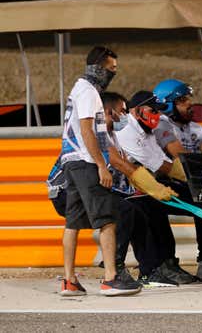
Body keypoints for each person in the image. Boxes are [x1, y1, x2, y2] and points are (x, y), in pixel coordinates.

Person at [48, 92, 178, 289]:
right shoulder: (95, 132)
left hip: (90, 187)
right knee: (124, 211)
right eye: (122, 111)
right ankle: (114, 270)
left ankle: (149, 272)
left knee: (139, 211)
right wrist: (155, 188)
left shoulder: (111, 136)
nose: (125, 116)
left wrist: (148, 190)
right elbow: (119, 164)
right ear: (108, 112)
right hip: (66, 192)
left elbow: (123, 171)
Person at [57, 46, 140, 296]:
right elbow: (87, 130)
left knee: (73, 222)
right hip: (86, 162)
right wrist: (102, 165)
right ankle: (110, 279)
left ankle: (69, 281)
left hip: (71, 161)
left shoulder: (78, 88)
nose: (113, 74)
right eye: (111, 69)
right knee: (108, 220)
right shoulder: (89, 92)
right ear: (98, 67)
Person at [114, 90, 202, 284]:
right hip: (127, 189)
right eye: (153, 110)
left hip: (144, 182)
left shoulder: (147, 130)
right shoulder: (126, 130)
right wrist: (194, 176)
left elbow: (166, 164)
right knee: (152, 207)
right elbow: (162, 166)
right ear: (137, 111)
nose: (157, 115)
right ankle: (162, 266)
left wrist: (198, 180)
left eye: (159, 110)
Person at [151, 79, 202, 282]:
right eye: (182, 100)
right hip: (160, 184)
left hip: (187, 182)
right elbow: (178, 155)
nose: (189, 103)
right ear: (168, 105)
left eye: (188, 99)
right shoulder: (161, 124)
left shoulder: (195, 127)